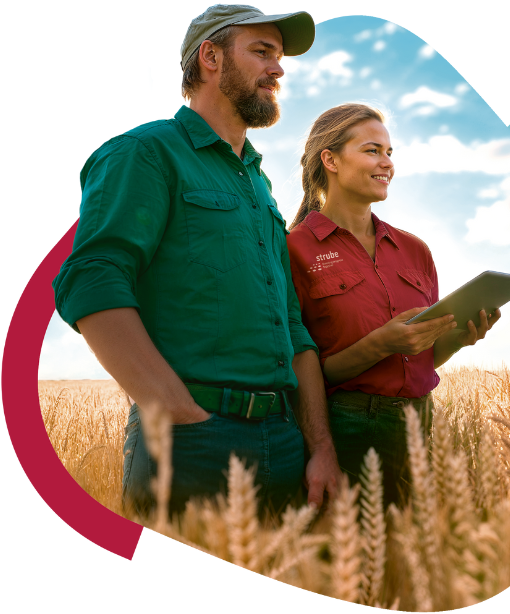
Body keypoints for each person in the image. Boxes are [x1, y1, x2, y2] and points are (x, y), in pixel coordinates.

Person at [52, 4, 342, 517]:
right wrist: (176, 412)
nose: (278, 68)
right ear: (210, 57)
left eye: (279, 57)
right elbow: (92, 279)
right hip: (195, 443)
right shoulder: (146, 153)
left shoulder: (259, 184)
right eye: (262, 52)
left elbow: (292, 326)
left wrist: (319, 445)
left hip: (284, 440)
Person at [287, 104, 500, 506]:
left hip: (419, 423)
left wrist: (458, 338)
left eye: (390, 152)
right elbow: (304, 365)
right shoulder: (294, 249)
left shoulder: (415, 250)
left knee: (406, 561)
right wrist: (381, 343)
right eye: (372, 151)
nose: (387, 163)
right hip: (346, 424)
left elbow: (418, 357)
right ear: (329, 160)